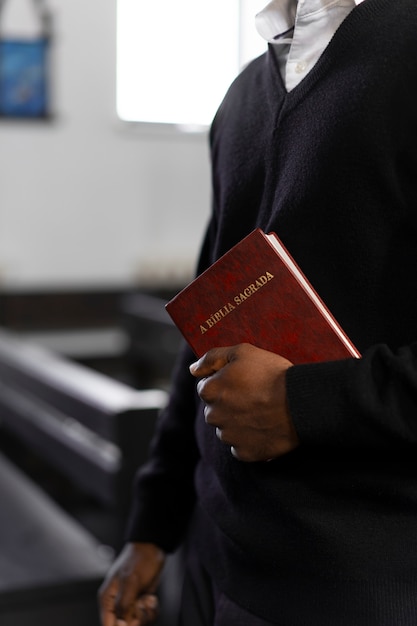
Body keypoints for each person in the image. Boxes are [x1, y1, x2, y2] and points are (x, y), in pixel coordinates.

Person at [99, 0, 417, 624]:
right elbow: (208, 324)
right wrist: (153, 525)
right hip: (214, 558)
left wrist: (305, 402)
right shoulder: (242, 96)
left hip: (365, 580)